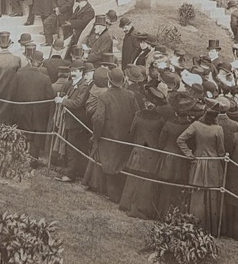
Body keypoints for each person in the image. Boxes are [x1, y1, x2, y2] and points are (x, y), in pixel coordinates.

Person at [84, 68, 140, 203]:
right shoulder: (130, 95)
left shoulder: (104, 97)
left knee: (109, 164)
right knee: (120, 164)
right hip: (126, 138)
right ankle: (118, 194)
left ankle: (112, 195)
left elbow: (98, 119)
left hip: (108, 138)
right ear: (123, 80)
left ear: (109, 80)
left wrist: (96, 136)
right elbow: (137, 115)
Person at [176, 98, 226, 235]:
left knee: (197, 193)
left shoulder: (196, 125)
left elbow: (181, 139)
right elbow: (221, 151)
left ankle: (193, 224)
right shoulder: (218, 129)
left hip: (198, 163)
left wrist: (189, 154)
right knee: (211, 194)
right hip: (214, 165)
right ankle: (210, 227)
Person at [120, 87, 167, 219]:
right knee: (147, 183)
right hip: (152, 154)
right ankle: (143, 209)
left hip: (138, 151)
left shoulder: (138, 115)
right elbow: (161, 138)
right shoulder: (160, 119)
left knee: (134, 178)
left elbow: (131, 131)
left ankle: (128, 204)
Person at [11, 46, 55, 162]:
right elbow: (50, 97)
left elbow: (12, 93)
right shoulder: (45, 78)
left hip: (21, 110)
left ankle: (18, 158)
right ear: (41, 64)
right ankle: (33, 160)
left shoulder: (19, 74)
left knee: (21, 133)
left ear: (30, 61)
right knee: (36, 136)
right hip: (38, 112)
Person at [54, 59, 93, 182]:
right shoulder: (74, 83)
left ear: (81, 71)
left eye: (76, 71)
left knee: (72, 148)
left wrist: (62, 101)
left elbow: (78, 103)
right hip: (70, 120)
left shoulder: (84, 86)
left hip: (76, 122)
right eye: (72, 71)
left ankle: (71, 175)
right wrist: (66, 97)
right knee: (70, 147)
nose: (73, 73)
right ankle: (70, 171)